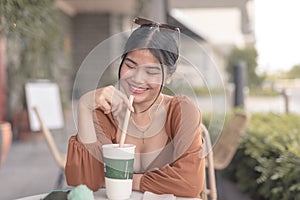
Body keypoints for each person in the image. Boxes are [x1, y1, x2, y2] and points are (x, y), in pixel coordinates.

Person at [65, 17, 205, 198]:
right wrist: (84, 106)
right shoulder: (106, 112)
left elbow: (189, 182)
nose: (137, 79)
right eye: (130, 66)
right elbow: (85, 182)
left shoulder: (181, 112)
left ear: (169, 76)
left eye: (151, 72)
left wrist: (123, 179)